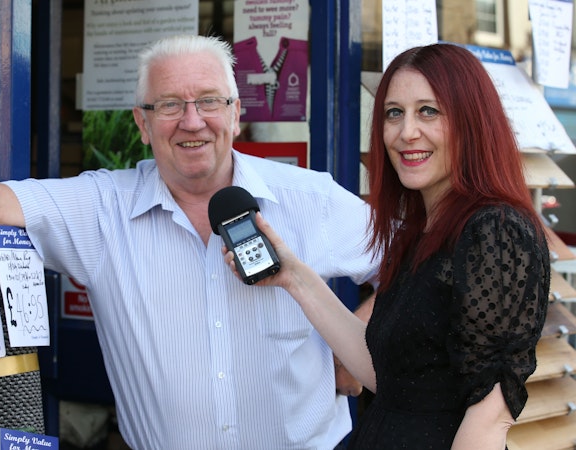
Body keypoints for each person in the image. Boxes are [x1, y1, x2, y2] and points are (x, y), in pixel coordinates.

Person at [0, 34, 379, 449]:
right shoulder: (101, 207)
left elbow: (414, 260)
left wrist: (360, 344)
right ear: (141, 122)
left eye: (209, 101)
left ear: (236, 113)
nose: (191, 121)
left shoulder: (312, 199)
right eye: (168, 105)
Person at [224, 43, 550, 450]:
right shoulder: (422, 232)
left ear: (472, 121)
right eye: (394, 113)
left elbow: (488, 414)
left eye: (428, 111)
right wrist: (293, 276)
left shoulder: (496, 230)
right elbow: (388, 375)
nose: (406, 131)